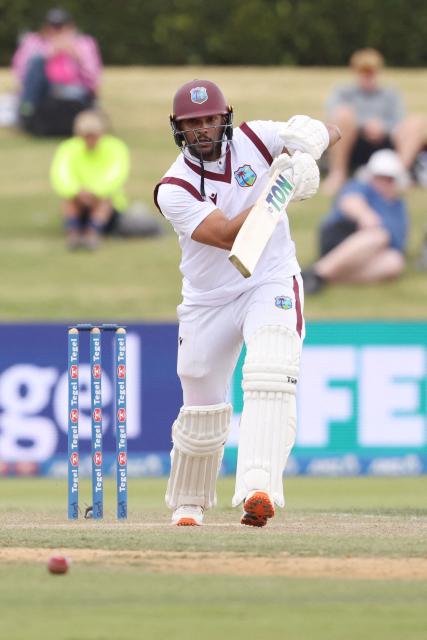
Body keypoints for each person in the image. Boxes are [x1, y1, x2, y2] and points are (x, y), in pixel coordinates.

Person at [154, 79, 340, 527]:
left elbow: (331, 131)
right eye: (191, 123)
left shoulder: (256, 136)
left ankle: (258, 488)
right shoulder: (173, 187)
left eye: (208, 119)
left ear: (225, 117)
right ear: (178, 128)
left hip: (269, 278)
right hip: (207, 298)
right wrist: (281, 186)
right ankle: (189, 503)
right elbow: (225, 235)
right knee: (200, 402)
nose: (201, 129)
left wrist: (309, 142)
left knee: (271, 370)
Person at [303, 149, 409, 294]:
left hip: (370, 253)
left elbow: (396, 243)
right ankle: (317, 272)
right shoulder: (362, 187)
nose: (384, 183)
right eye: (380, 177)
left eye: (389, 179)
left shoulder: (397, 207)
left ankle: (320, 277)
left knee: (394, 262)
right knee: (378, 236)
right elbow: (349, 202)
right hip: (341, 236)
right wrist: (365, 215)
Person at [323, 48, 427, 195]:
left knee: (417, 122)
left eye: (371, 72)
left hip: (386, 143)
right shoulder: (342, 93)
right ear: (355, 72)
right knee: (343, 114)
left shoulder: (391, 94)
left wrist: (383, 128)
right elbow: (332, 117)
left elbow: (399, 120)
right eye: (363, 72)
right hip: (354, 143)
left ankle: (397, 176)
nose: (367, 76)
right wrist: (364, 125)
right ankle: (338, 173)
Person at [12, 7, 102, 136]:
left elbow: (93, 80)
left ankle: (26, 110)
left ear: (71, 26)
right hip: (44, 90)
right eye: (53, 26)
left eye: (61, 26)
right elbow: (21, 74)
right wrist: (48, 54)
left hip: (75, 90)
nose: (57, 31)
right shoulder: (33, 42)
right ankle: (26, 110)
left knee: (69, 91)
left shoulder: (84, 44)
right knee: (37, 61)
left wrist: (77, 57)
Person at [50, 110, 130, 250]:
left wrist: (94, 192)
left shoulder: (115, 147)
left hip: (109, 205)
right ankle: (73, 234)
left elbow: (116, 175)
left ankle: (92, 233)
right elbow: (61, 175)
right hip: (78, 199)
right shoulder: (68, 148)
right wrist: (76, 192)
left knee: (105, 200)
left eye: (93, 135)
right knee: (68, 200)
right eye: (86, 135)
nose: (90, 139)